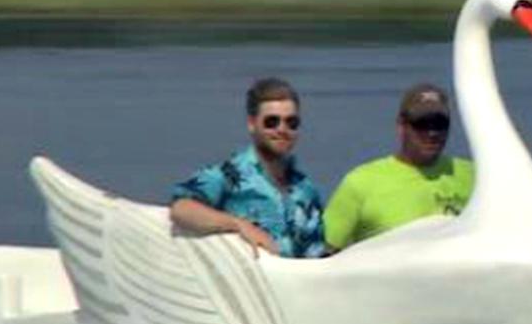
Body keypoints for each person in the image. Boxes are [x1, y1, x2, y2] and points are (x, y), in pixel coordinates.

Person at [169, 77, 326, 259]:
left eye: (291, 123)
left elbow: (316, 253)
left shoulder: (306, 188)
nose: (282, 129)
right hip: (245, 283)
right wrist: (239, 225)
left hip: (291, 283)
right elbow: (181, 209)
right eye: (271, 122)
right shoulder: (229, 174)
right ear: (252, 124)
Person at [324, 83, 474, 252]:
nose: (432, 133)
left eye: (439, 124)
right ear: (401, 126)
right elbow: (323, 254)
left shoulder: (476, 176)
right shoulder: (360, 183)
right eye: (422, 124)